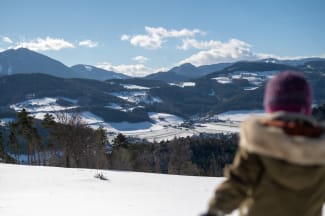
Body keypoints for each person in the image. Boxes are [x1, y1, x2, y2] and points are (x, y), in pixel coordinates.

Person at [201, 71, 325, 216]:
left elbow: (238, 183)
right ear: (308, 106)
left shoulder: (259, 144)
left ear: (270, 106)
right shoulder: (320, 148)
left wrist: (214, 210)